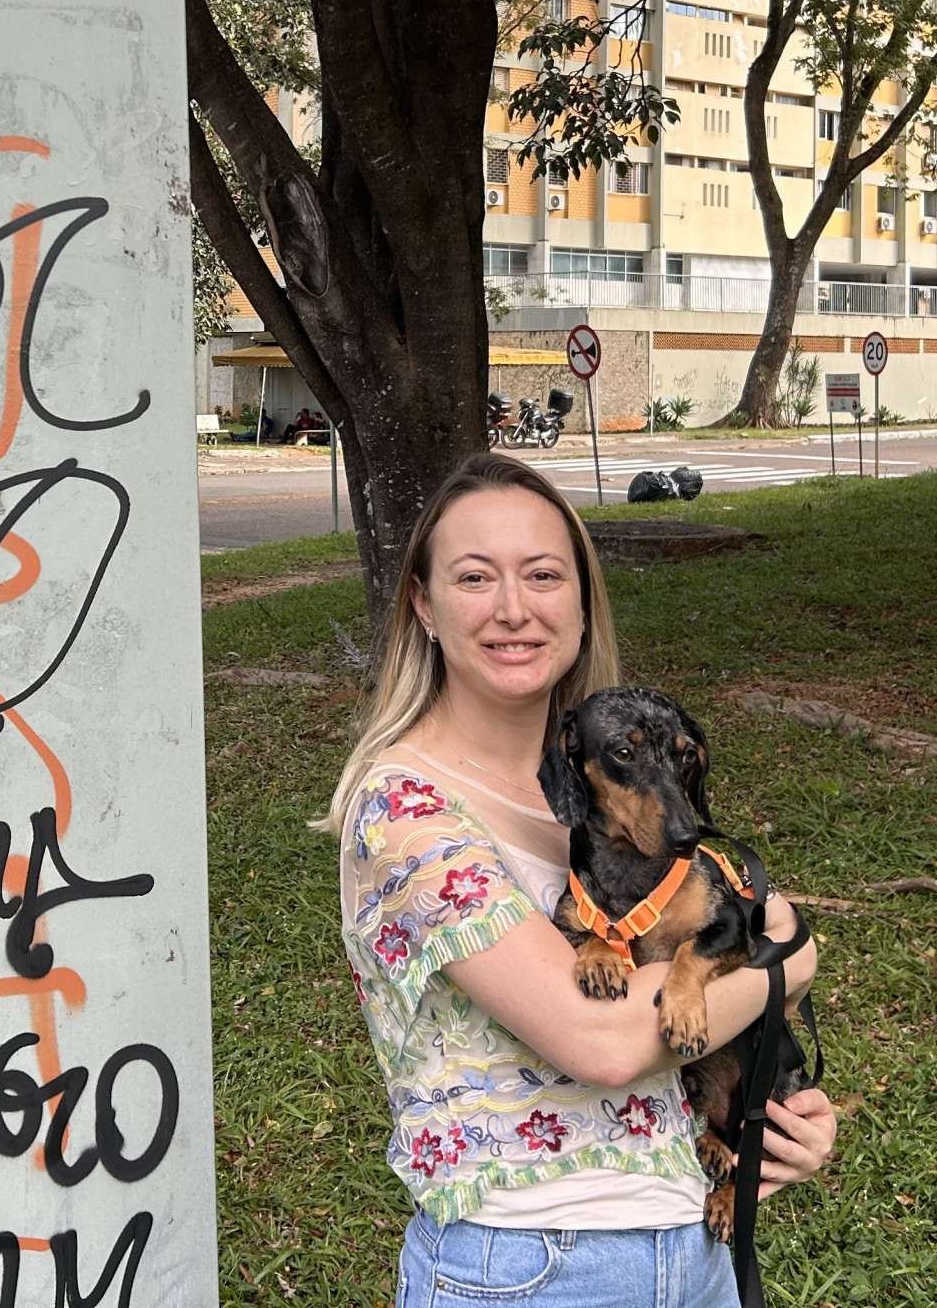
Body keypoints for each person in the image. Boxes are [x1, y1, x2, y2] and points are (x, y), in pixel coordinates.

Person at [333, 452, 837, 1305]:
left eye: (542, 574)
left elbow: (719, 966)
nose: (513, 608)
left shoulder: (610, 791)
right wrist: (791, 957)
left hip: (691, 1249)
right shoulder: (404, 809)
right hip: (528, 1270)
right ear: (422, 603)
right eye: (473, 577)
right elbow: (602, 1040)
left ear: (580, 599)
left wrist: (765, 1121)